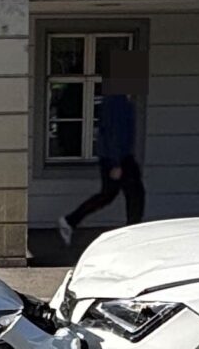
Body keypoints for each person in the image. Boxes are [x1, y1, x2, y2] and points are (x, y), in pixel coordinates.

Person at [59, 77, 144, 243]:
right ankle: (133, 231)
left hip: (117, 157)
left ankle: (71, 220)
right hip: (119, 157)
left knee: (111, 195)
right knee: (135, 195)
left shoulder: (117, 100)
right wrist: (116, 163)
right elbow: (113, 133)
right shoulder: (117, 101)